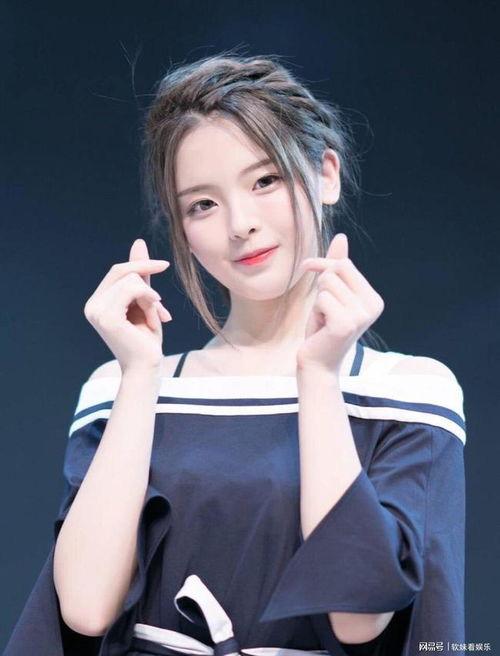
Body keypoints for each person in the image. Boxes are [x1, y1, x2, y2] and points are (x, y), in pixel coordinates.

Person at [4, 53, 466, 656]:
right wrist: (139, 374)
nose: (240, 224)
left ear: (326, 174)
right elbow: (87, 610)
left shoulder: (409, 392)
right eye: (202, 204)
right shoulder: (120, 387)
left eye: (265, 180)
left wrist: (318, 374)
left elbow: (358, 617)